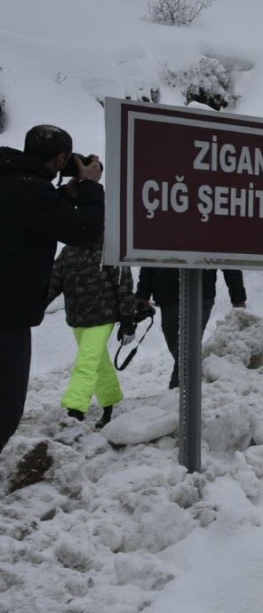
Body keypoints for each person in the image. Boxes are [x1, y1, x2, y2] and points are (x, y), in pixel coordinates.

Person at [0, 125, 106, 455]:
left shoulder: (13, 182)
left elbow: (26, 218)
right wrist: (88, 186)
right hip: (8, 315)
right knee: (5, 408)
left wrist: (63, 196)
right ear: (61, 158)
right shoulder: (32, 191)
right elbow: (86, 231)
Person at [47, 238, 148, 427]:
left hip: (103, 316)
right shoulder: (68, 251)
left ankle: (74, 412)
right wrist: (33, 308)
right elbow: (54, 282)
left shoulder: (110, 249)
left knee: (86, 362)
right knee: (99, 362)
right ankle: (111, 403)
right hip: (78, 318)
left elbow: (124, 285)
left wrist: (128, 321)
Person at [136, 267, 247, 387]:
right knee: (174, 340)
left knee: (190, 343)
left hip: (202, 293)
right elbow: (150, 260)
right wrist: (142, 294)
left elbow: (227, 261)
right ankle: (189, 384)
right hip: (168, 293)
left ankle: (181, 387)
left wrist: (238, 298)